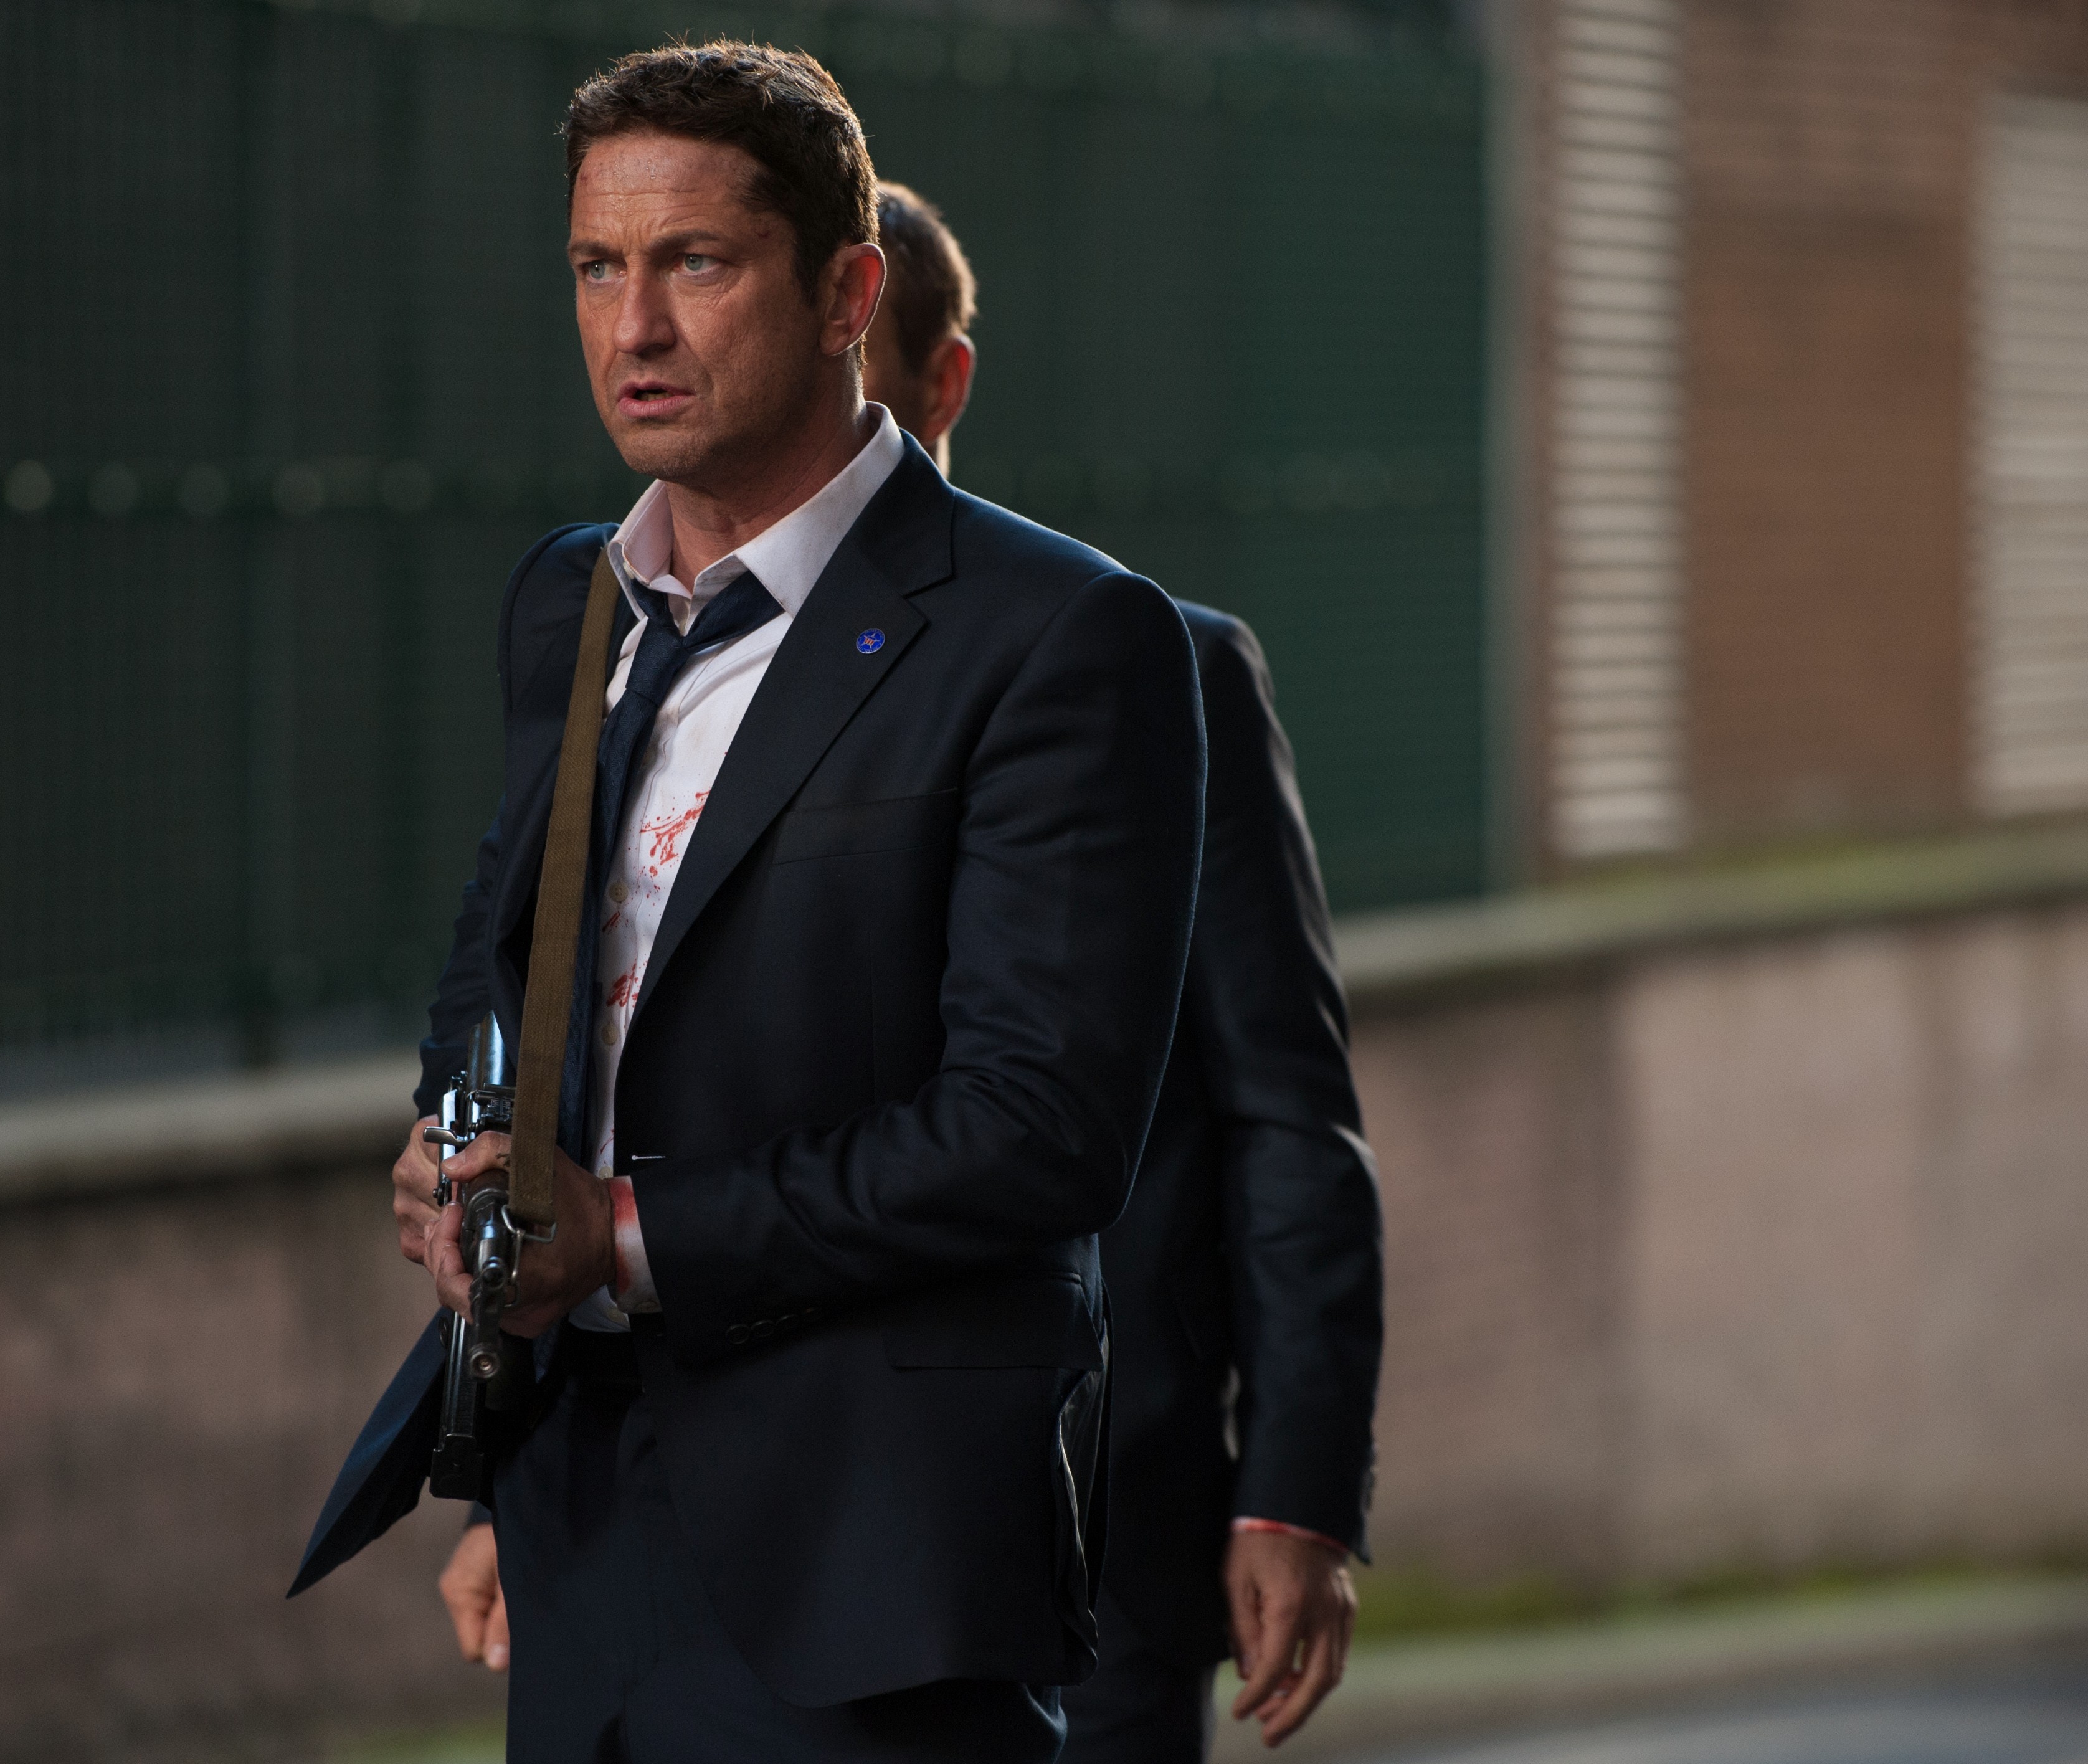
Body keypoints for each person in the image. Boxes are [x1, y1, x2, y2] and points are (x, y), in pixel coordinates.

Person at [288, 44, 1207, 1764]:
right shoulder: (569, 600)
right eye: (596, 268)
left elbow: (1039, 1132)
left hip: (868, 1556)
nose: (633, 327)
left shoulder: (1058, 636)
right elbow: (504, 954)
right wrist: (456, 1138)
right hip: (576, 1521)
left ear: (848, 294)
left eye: (695, 263)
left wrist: (624, 1233)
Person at [425, 176, 1387, 1757]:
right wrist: (517, 1471)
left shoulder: (1139, 659)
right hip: (695, 1504)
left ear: (926, 374)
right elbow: (613, 1065)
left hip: (1067, 1494)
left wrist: (1292, 1490)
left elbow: (1285, 1118)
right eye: (602, 269)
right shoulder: (636, 643)